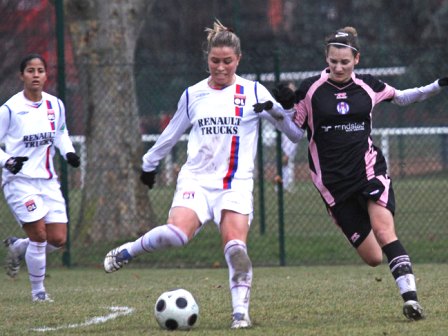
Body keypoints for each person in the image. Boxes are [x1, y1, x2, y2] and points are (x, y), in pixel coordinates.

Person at [103, 20, 302, 329]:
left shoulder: (253, 91)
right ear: (207, 58)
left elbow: (294, 134)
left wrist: (279, 110)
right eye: (214, 61)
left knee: (236, 248)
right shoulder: (193, 94)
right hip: (196, 179)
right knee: (176, 235)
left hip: (235, 184)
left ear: (239, 59)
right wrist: (148, 165)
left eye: (227, 61)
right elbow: (170, 135)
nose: (220, 67)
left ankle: (240, 315)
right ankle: (127, 251)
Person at [272, 27, 448, 321]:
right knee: (373, 258)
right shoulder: (311, 88)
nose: (338, 67)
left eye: (344, 61)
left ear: (356, 59)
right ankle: (354, 223)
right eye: (333, 61)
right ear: (327, 58)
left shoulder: (369, 85)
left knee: (384, 230)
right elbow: (293, 134)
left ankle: (411, 299)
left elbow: (403, 97)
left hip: (369, 171)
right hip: (333, 185)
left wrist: (438, 84)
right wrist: (277, 111)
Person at [1, 53, 80, 302]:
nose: (35, 75)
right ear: (21, 75)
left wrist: (69, 153)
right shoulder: (10, 110)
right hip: (19, 182)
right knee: (39, 235)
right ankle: (39, 293)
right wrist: (7, 161)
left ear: (46, 75)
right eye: (30, 71)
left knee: (57, 239)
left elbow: (60, 134)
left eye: (40, 70)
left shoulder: (55, 105)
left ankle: (19, 247)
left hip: (47, 180)